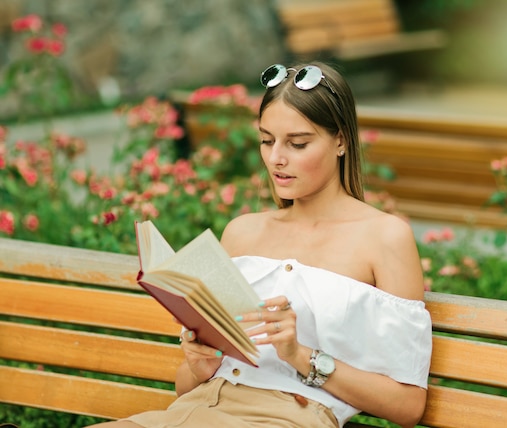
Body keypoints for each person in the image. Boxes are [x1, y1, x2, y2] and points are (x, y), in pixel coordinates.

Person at [91, 62, 432, 428]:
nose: (276, 159)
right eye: (267, 141)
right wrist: (198, 365)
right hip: (197, 410)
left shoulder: (383, 237)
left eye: (297, 143)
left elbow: (407, 405)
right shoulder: (242, 233)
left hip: (287, 417)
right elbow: (185, 387)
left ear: (341, 141)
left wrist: (302, 357)